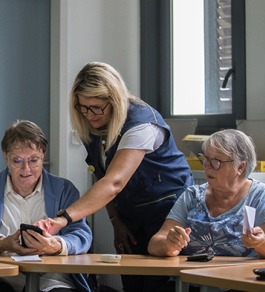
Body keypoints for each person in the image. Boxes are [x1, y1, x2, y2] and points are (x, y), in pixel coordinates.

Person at [38, 62, 194, 292]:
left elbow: (115, 182)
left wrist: (63, 219)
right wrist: (116, 221)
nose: (90, 114)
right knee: (132, 282)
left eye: (97, 107)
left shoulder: (141, 123)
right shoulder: (92, 126)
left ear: (115, 101)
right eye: (83, 107)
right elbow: (101, 176)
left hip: (168, 214)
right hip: (131, 215)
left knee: (159, 285)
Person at [0, 120, 93, 292]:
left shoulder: (64, 190)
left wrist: (55, 245)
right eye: (17, 160)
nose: (26, 169)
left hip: (52, 279)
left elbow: (81, 234)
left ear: (44, 155)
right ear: (5, 155)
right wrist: (3, 243)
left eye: (34, 160)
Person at [148, 129, 265, 259]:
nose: (207, 166)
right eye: (205, 159)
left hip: (239, 278)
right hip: (191, 277)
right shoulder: (193, 195)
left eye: (216, 162)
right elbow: (154, 244)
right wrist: (169, 244)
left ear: (240, 167)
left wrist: (263, 242)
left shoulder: (261, 195)